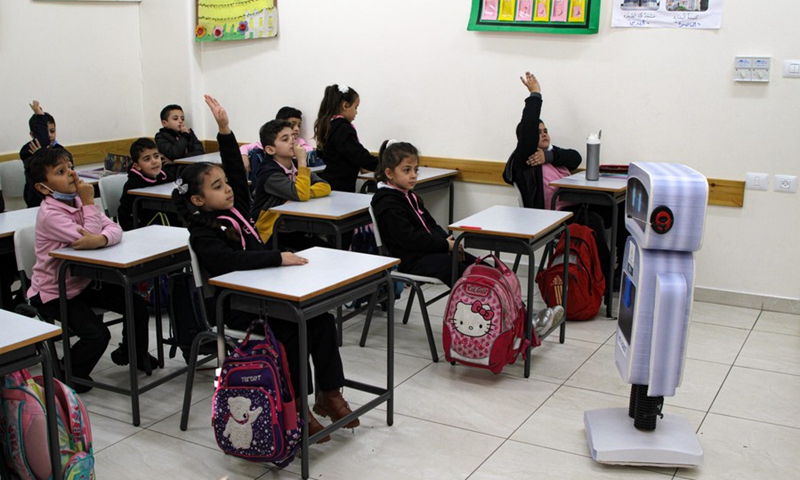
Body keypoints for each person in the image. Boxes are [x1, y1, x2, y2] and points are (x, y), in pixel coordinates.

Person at [172, 95, 358, 443]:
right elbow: (229, 263)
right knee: (292, 331)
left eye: (227, 184)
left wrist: (225, 130)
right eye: (217, 188)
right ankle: (297, 408)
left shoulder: (235, 207)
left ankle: (329, 394)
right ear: (198, 201)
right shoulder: (202, 232)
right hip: (234, 306)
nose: (228, 189)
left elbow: (234, 171)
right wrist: (277, 257)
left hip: (265, 294)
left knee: (319, 320)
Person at [25, 148, 156, 392]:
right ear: (44, 188)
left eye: (71, 167)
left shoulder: (76, 201)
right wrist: (89, 205)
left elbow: (114, 228)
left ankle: (134, 354)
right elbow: (94, 231)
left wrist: (101, 240)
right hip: (54, 292)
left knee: (136, 305)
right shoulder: (51, 214)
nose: (72, 175)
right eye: (61, 172)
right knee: (97, 335)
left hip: (81, 283)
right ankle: (68, 371)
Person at [370, 140, 477, 287]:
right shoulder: (387, 203)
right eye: (407, 170)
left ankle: (504, 301)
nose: (414, 175)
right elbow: (409, 239)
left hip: (427, 252)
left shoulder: (409, 195)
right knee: (462, 273)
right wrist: (445, 246)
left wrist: (450, 241)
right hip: (409, 260)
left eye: (416, 169)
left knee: (479, 266)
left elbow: (431, 224)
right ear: (389, 173)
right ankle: (483, 306)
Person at [503, 72, 581, 210]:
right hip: (553, 215)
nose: (544, 134)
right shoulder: (526, 158)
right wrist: (535, 94)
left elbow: (576, 158)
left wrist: (549, 156)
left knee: (615, 208)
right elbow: (529, 126)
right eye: (538, 133)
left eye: (545, 131)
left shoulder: (550, 152)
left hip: (575, 206)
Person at [250, 119, 332, 249]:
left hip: (292, 228)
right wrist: (302, 162)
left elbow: (325, 186)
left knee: (326, 248)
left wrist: (304, 191)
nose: (292, 142)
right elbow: (300, 194)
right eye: (285, 139)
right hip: (269, 233)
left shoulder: (293, 166)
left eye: (293, 137)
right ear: (270, 149)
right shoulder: (270, 174)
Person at [313, 84, 378, 193]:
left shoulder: (328, 125)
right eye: (355, 107)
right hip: (340, 187)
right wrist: (385, 165)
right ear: (345, 106)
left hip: (331, 183)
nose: (356, 112)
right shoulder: (343, 129)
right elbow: (358, 155)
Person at [117, 138, 178, 231]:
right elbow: (124, 215)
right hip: (144, 228)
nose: (154, 161)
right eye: (147, 159)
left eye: (156, 156)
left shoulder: (167, 176)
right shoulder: (133, 185)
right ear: (137, 166)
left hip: (167, 222)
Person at [239, 106, 313, 173]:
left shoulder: (299, 141)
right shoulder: (271, 173)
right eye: (285, 139)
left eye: (299, 125)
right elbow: (244, 147)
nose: (297, 128)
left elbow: (309, 151)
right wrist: (244, 157)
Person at [20, 100, 60, 208]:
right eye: (45, 132)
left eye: (52, 131)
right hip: (36, 200)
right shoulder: (27, 149)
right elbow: (43, 141)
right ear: (33, 134)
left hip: (57, 198)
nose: (50, 136)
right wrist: (39, 115)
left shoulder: (58, 149)